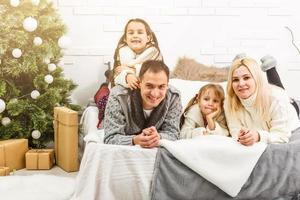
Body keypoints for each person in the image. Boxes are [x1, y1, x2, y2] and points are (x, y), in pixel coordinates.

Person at [103, 60, 182, 148]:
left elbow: (173, 133)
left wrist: (159, 137)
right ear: (140, 83)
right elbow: (110, 138)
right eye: (149, 86)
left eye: (161, 87)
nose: (155, 94)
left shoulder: (173, 97)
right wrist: (134, 140)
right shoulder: (119, 96)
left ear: (167, 85)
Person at [225, 57, 300, 146]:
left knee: (280, 91)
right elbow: (235, 133)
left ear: (257, 78)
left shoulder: (277, 98)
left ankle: (271, 69)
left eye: (246, 77)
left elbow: (281, 136)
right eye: (235, 80)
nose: (241, 84)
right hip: (267, 95)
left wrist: (258, 136)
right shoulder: (229, 102)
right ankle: (243, 60)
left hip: (292, 107)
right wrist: (242, 136)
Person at [112, 18, 162, 90]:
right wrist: (127, 76)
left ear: (148, 38)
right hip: (129, 91)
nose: (135, 35)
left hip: (150, 89)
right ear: (125, 39)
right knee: (116, 90)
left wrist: (132, 69)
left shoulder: (153, 52)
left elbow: (155, 72)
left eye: (140, 32)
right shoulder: (122, 52)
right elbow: (116, 75)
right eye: (131, 33)